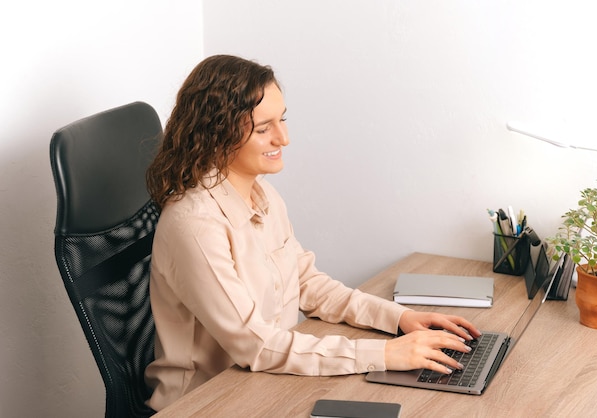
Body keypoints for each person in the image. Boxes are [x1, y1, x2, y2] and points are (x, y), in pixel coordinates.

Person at [144, 54, 481, 411]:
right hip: (207, 402)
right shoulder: (194, 224)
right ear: (216, 133)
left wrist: (398, 319)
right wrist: (383, 353)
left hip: (265, 381)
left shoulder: (261, 194)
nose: (284, 138)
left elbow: (306, 282)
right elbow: (254, 344)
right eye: (263, 128)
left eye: (282, 120)